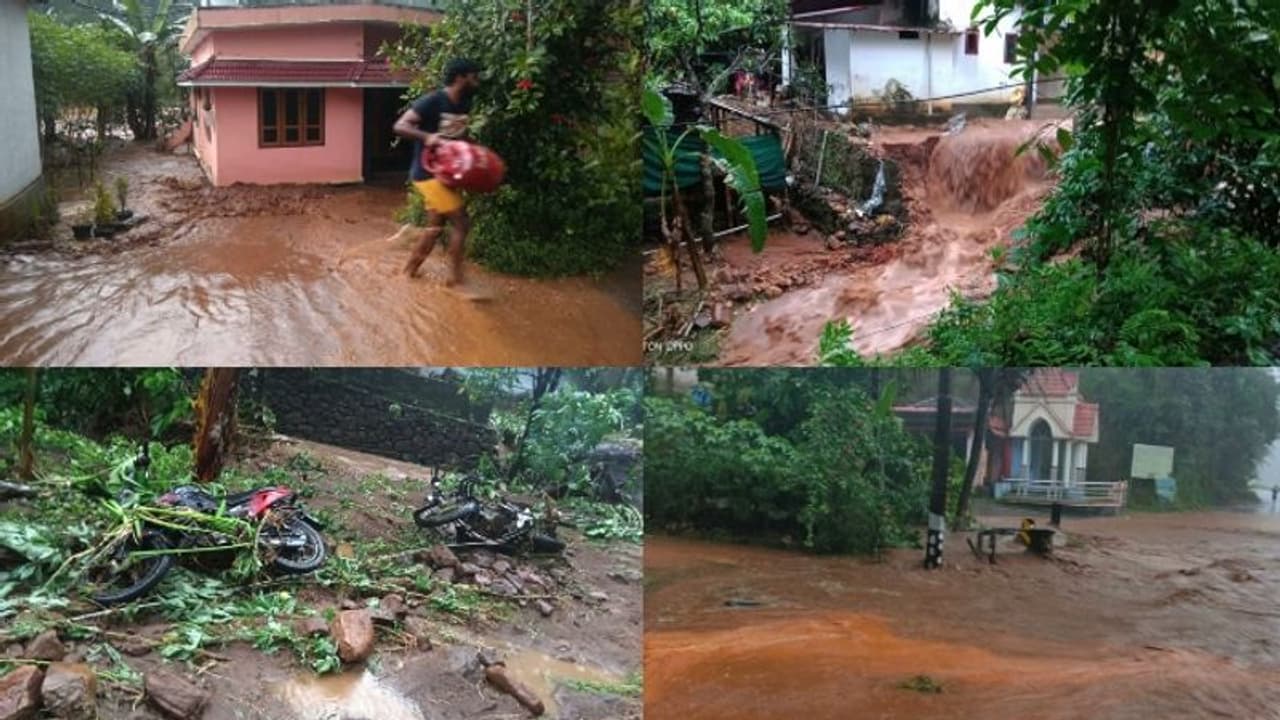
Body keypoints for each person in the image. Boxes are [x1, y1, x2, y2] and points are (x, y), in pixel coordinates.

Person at [392, 58, 481, 286]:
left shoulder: (464, 104)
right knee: (461, 223)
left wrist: (474, 152)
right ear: (461, 77)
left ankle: (408, 273)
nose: (477, 80)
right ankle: (456, 281)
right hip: (427, 174)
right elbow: (400, 126)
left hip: (447, 175)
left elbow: (458, 136)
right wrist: (427, 137)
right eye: (474, 75)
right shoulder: (432, 101)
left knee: (435, 228)